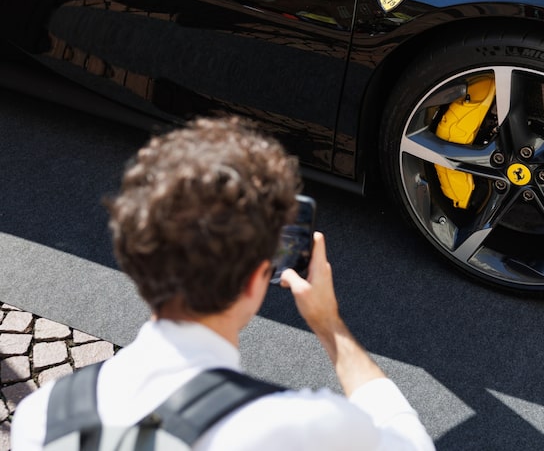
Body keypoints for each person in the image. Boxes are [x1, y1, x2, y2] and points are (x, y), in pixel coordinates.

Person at [11, 117, 435, 451]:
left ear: (136, 260)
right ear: (257, 279)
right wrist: (330, 325)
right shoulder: (301, 427)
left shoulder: (41, 418)